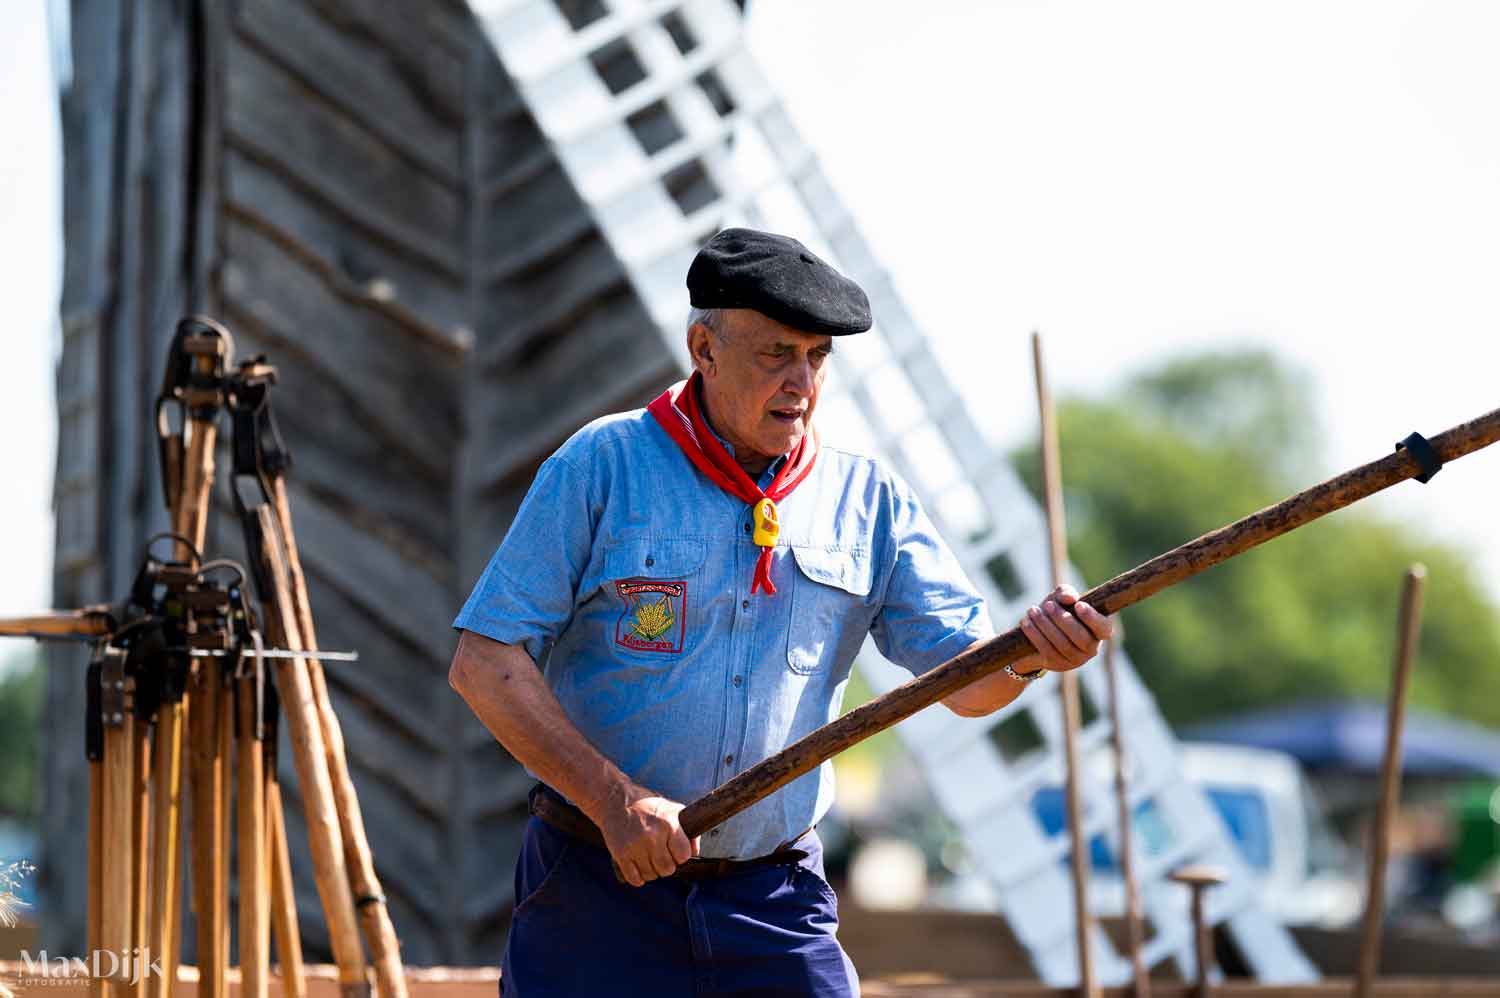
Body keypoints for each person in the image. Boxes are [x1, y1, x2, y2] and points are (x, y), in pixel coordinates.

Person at [448, 228, 1113, 996]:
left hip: (774, 902)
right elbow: (484, 663)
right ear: (704, 349)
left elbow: (969, 684)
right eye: (775, 354)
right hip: (598, 891)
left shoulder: (869, 502)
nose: (801, 380)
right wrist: (615, 801)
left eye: (817, 356)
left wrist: (1031, 654)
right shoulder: (602, 466)